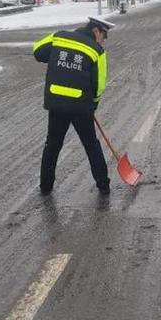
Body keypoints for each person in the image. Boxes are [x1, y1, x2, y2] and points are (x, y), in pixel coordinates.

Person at [33, 16, 114, 196]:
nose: (104, 40)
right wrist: (93, 104)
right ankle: (103, 185)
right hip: (80, 107)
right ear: (95, 31)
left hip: (56, 104)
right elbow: (99, 85)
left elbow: (38, 51)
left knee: (52, 145)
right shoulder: (96, 51)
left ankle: (45, 187)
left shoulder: (59, 37)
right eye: (104, 35)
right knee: (91, 145)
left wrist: (57, 58)